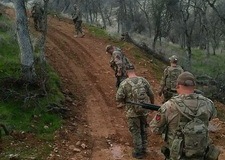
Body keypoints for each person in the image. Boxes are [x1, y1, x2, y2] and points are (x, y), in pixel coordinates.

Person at [150, 71, 220, 160]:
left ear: (177, 85)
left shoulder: (169, 106)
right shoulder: (208, 103)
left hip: (178, 156)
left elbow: (155, 129)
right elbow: (211, 118)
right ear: (194, 86)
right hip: (201, 155)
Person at [116, 64, 154, 159]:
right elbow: (151, 94)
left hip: (132, 112)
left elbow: (119, 97)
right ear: (134, 70)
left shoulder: (124, 83)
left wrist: (124, 101)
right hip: (144, 110)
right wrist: (151, 106)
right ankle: (145, 148)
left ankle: (138, 152)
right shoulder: (143, 80)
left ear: (126, 71)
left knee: (136, 131)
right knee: (144, 128)